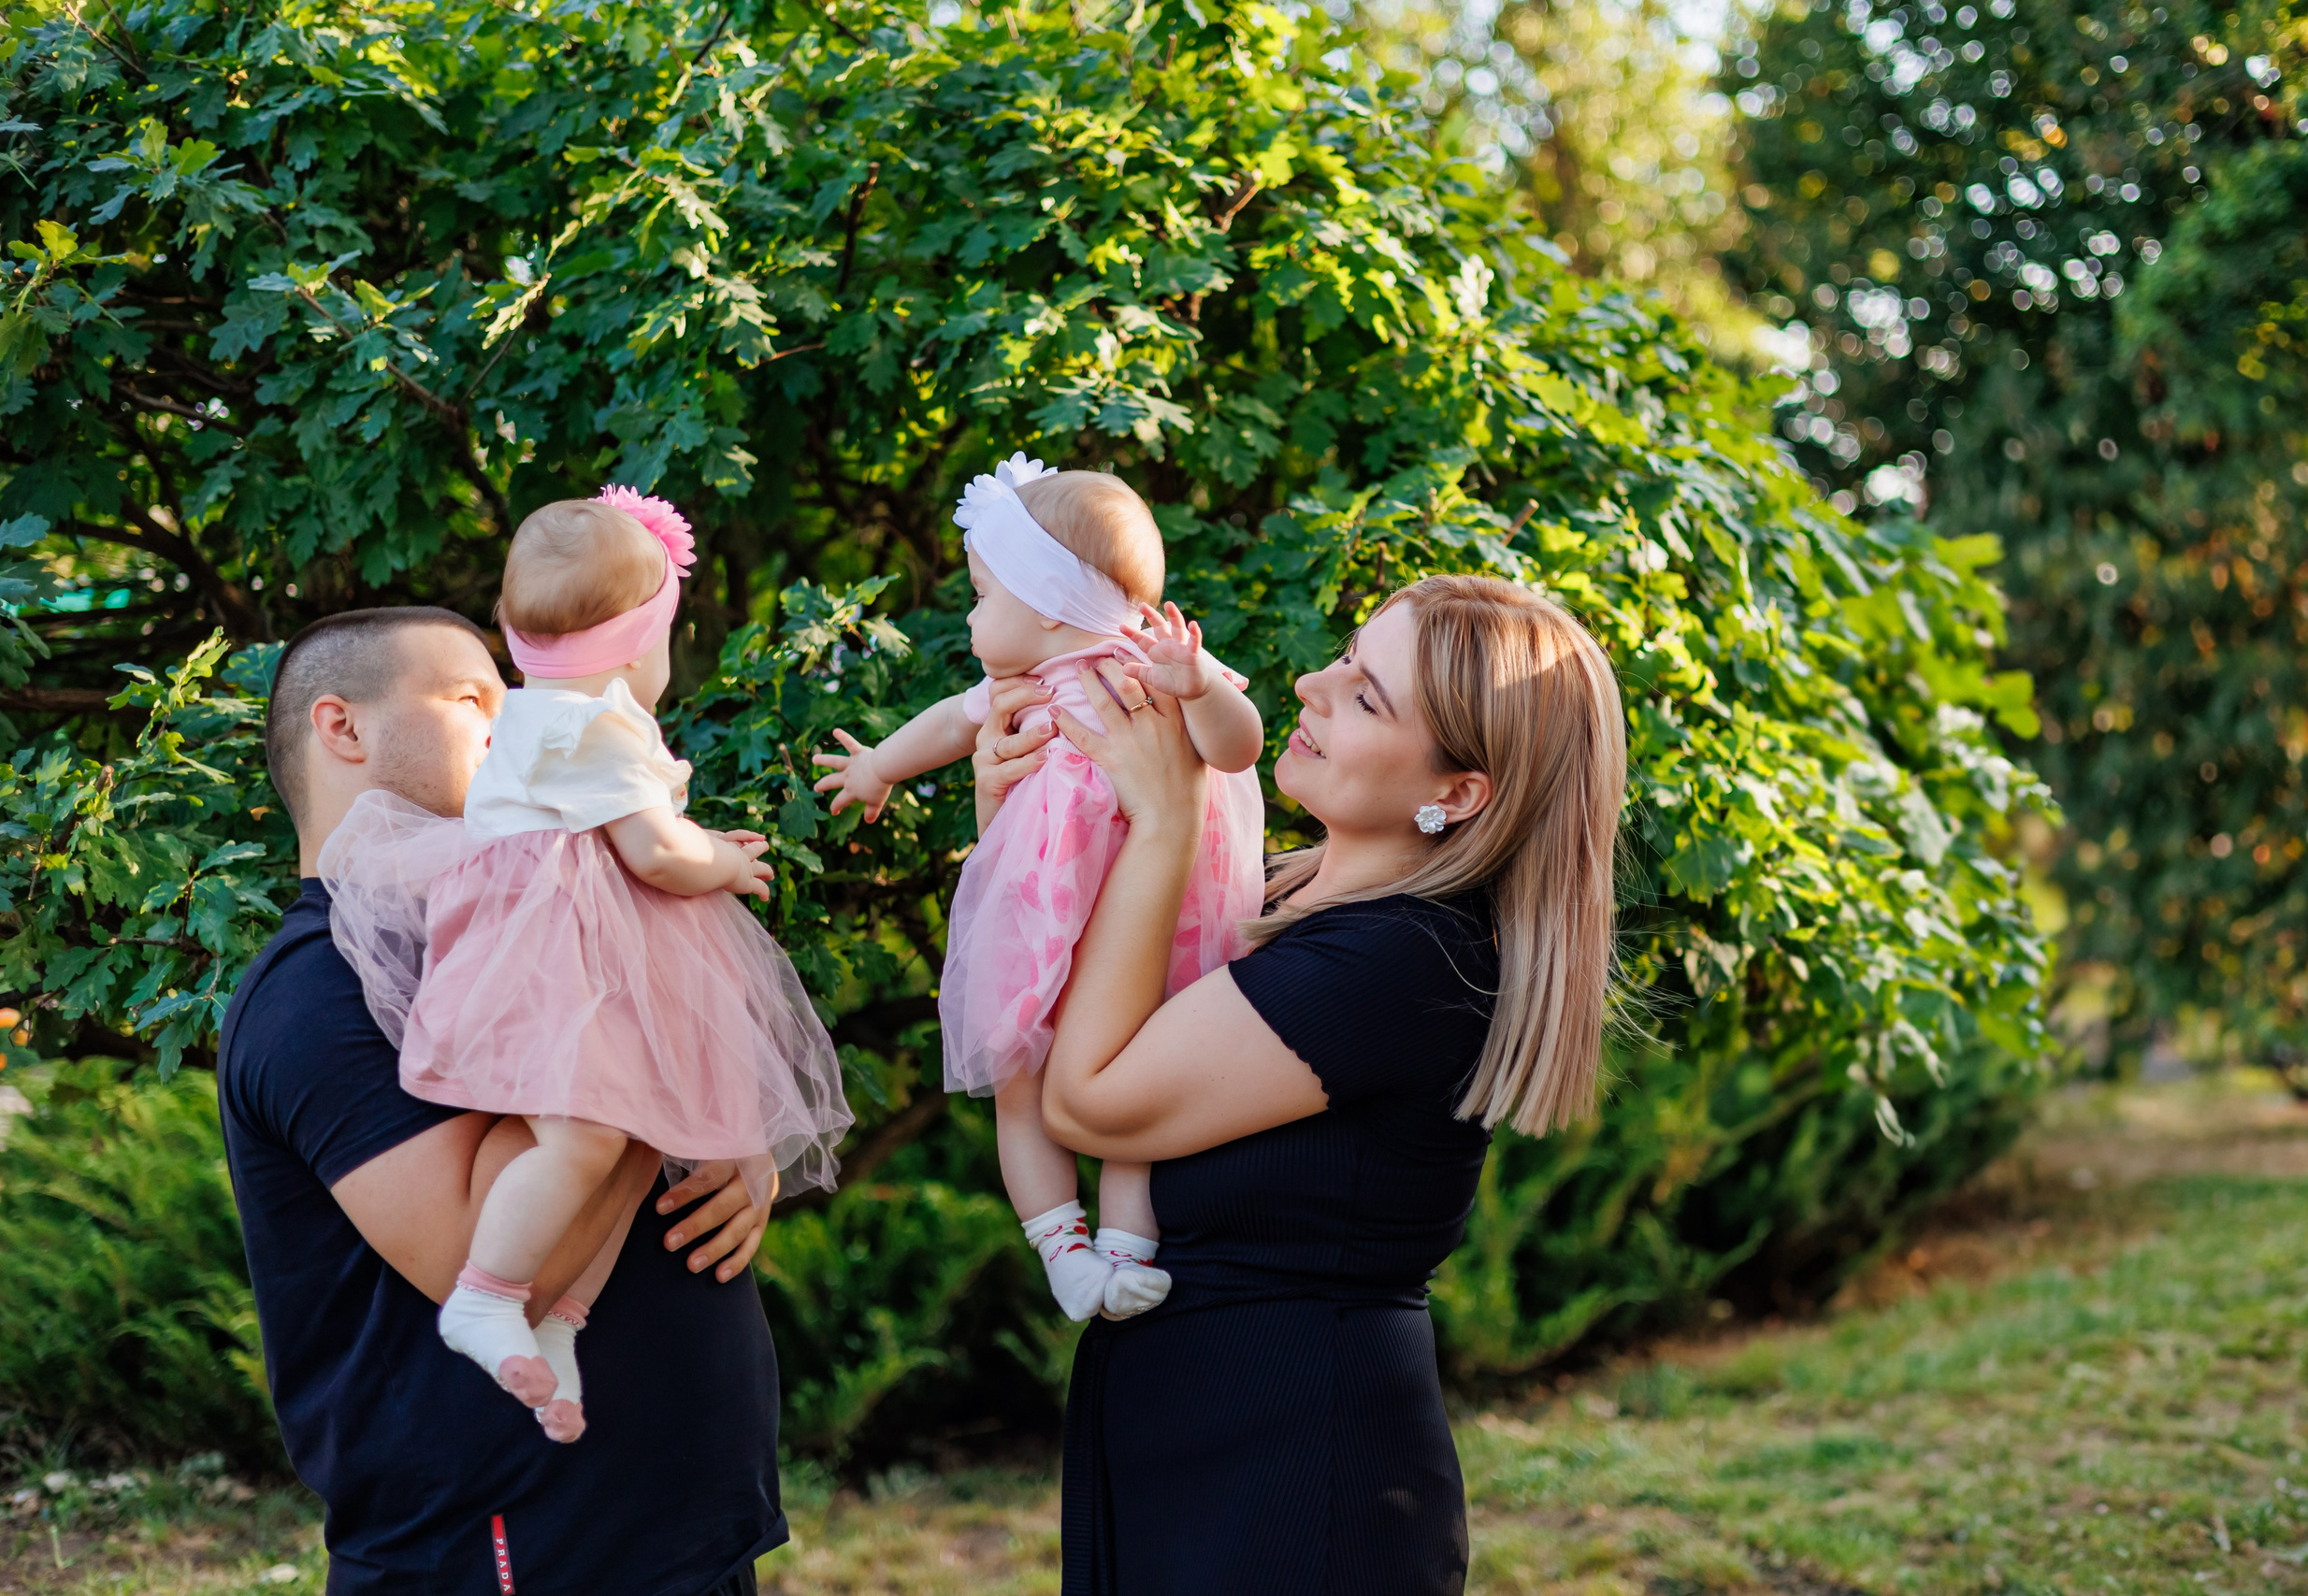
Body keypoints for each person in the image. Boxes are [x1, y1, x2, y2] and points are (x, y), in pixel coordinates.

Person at [977, 573, 1626, 1595]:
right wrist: (1019, 805)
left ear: (1457, 794)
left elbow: (1086, 1099)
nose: (1311, 685)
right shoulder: (1277, 889)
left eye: (1367, 696)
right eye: (1345, 659)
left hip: (1292, 1475)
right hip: (1186, 1433)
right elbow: (1033, 1004)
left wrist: (1161, 820)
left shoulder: (1403, 963)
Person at [217, 605, 788, 1595]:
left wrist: (732, 1145)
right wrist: (664, 1098)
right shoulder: (316, 991)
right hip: (513, 1550)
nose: (511, 719)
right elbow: (500, 1263)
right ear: (341, 727)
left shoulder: (516, 916)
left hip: (682, 1536)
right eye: (468, 697)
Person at [318, 490, 848, 1441]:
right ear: (637, 646)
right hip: (552, 955)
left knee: (617, 1131)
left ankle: (562, 1324)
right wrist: (723, 860)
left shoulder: (542, 717)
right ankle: (487, 1296)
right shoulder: (592, 724)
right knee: (583, 1139)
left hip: (565, 943)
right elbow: (654, 855)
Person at [813, 453, 1265, 1323]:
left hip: (1156, 924)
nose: (972, 612)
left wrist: (1201, 683)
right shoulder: (1018, 690)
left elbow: (1239, 746)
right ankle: (1063, 1250)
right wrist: (877, 767)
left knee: (1142, 1081)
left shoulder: (1153, 670)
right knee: (1021, 1079)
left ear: (1052, 606)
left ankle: (1129, 1249)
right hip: (1044, 919)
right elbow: (949, 722)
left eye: (984, 594)